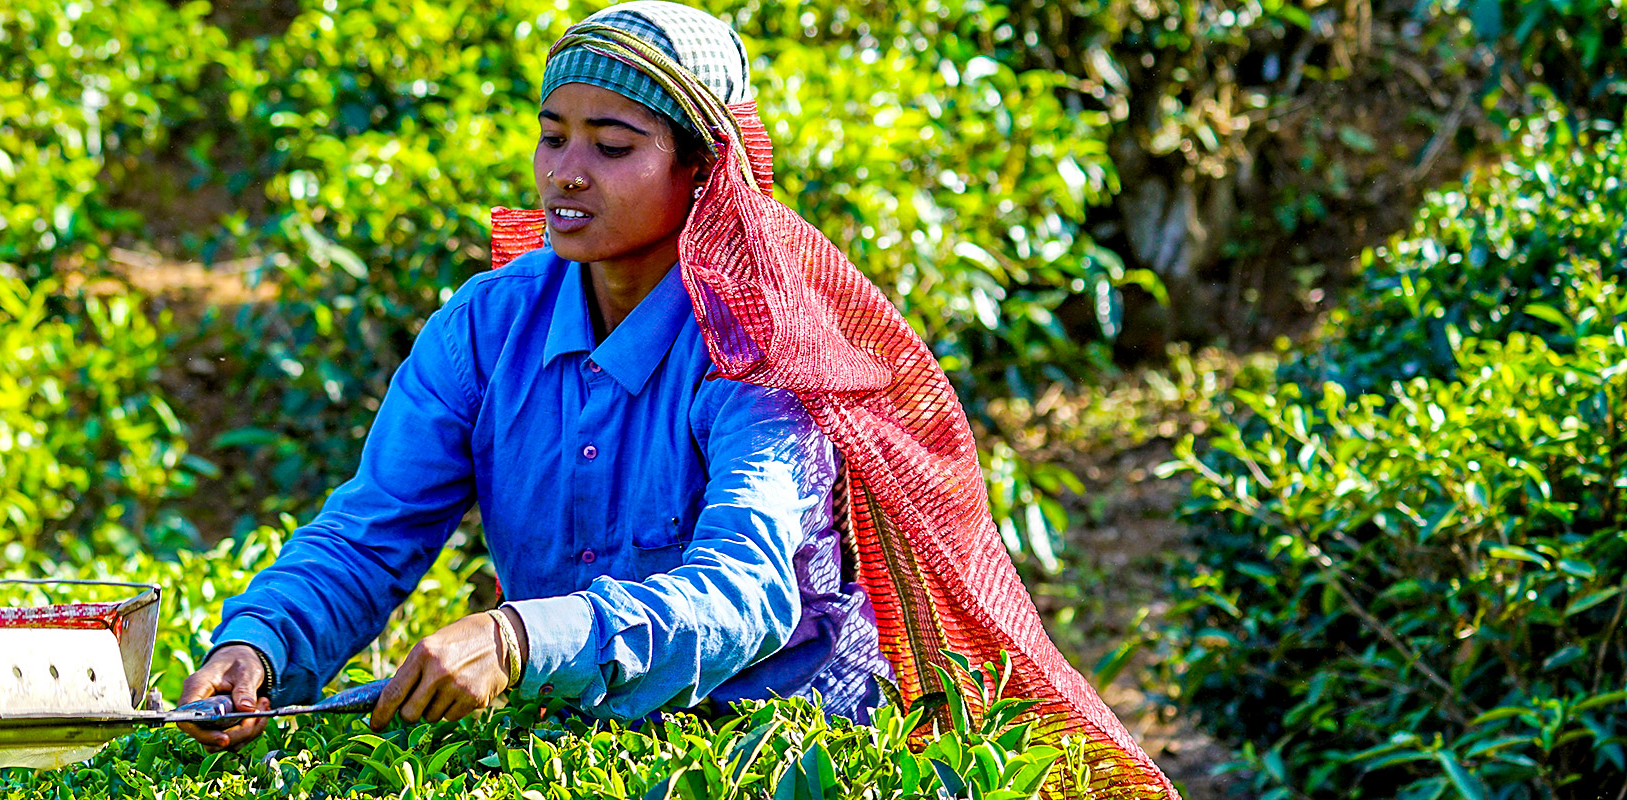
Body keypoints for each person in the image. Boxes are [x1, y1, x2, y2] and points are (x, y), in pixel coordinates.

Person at [178, 4, 1176, 796]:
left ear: (700, 174)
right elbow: (370, 531)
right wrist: (260, 640)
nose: (566, 173)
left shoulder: (756, 349)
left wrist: (524, 638)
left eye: (612, 147)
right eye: (552, 136)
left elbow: (742, 590)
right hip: (576, 744)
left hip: (780, 754)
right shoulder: (488, 323)